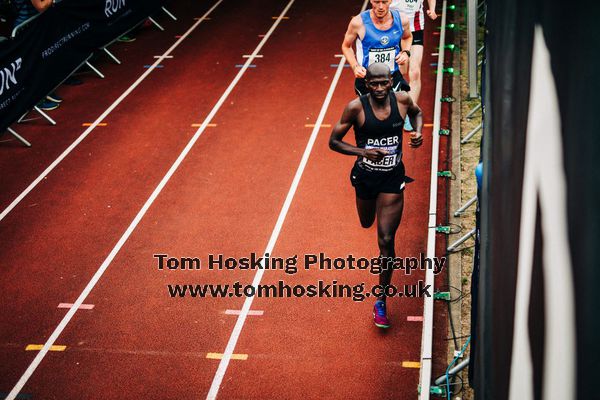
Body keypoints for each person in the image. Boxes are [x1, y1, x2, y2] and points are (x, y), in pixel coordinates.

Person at [329, 63, 423, 329]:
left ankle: (381, 300)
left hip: (393, 178)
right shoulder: (355, 108)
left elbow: (417, 113)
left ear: (391, 81)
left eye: (385, 83)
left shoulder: (403, 100)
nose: (380, 89)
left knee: (386, 239)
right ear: (366, 84)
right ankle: (370, 211)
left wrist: (418, 132)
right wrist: (363, 153)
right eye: (375, 84)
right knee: (366, 223)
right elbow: (333, 142)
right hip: (365, 178)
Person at [341, 0, 413, 97]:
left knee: (401, 109)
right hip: (368, 79)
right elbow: (346, 46)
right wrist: (355, 66)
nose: (380, 7)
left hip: (392, 77)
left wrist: (405, 52)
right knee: (370, 111)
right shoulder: (358, 22)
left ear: (391, 1)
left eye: (384, 2)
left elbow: (407, 37)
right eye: (376, 2)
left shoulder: (402, 20)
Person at [391, 0, 437, 131]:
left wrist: (432, 9)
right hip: (393, 29)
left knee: (415, 72)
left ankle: (409, 113)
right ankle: (394, 109)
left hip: (415, 28)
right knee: (400, 70)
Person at [12, 0, 60, 110]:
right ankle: (36, 100)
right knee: (32, 66)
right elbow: (41, 6)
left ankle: (43, 94)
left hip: (35, 24)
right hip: (27, 29)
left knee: (42, 62)